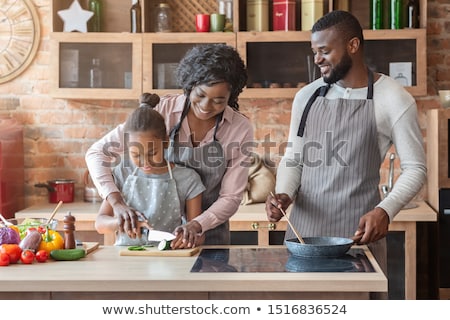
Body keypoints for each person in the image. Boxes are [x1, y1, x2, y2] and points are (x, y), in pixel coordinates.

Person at [266, 10, 426, 276]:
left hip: (357, 238)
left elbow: (415, 167)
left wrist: (385, 211)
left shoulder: (393, 98)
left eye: (325, 51)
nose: (317, 59)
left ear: (353, 45)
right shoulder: (307, 96)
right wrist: (283, 193)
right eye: (314, 51)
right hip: (303, 237)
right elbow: (294, 158)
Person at [86, 43, 253, 247]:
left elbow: (231, 197)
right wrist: (117, 202)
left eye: (219, 101)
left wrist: (196, 225)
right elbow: (97, 153)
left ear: (232, 95)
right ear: (189, 85)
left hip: (208, 235)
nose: (206, 106)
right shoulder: (163, 109)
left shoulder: (239, 128)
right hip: (156, 237)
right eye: (200, 95)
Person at [94, 94, 205, 248]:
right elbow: (100, 224)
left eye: (152, 153)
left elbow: (199, 237)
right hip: (126, 261)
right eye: (136, 155)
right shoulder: (123, 172)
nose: (145, 162)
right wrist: (119, 222)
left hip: (170, 262)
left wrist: (188, 237)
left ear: (165, 142)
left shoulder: (188, 179)